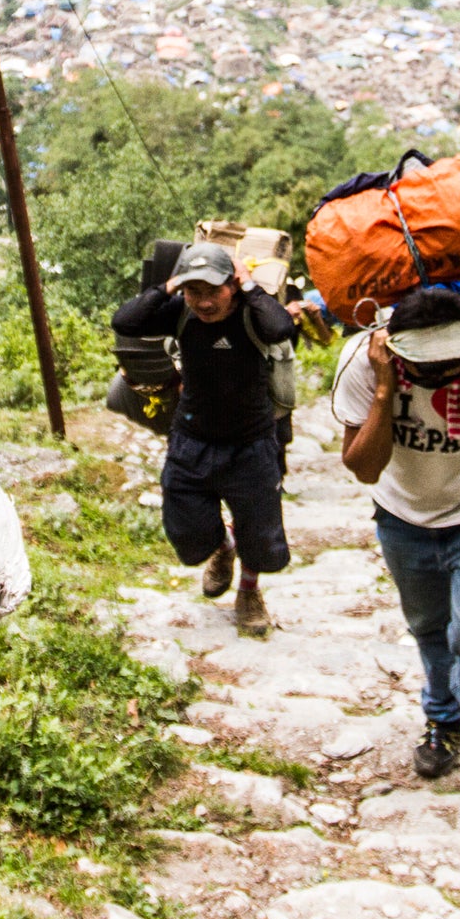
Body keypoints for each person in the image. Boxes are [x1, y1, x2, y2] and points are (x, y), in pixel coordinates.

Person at [334, 285, 460, 779]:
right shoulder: (363, 360)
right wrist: (385, 388)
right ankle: (442, 718)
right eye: (428, 368)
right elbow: (363, 467)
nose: (442, 377)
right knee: (429, 628)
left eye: (453, 366)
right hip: (403, 517)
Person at [112, 241, 297, 636]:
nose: (204, 302)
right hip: (193, 440)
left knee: (259, 533)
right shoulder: (180, 312)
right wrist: (174, 282)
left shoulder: (253, 314)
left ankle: (249, 593)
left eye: (214, 290)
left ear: (232, 285)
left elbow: (282, 328)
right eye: (195, 292)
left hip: (251, 444)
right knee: (187, 531)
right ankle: (223, 548)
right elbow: (125, 321)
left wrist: (249, 286)